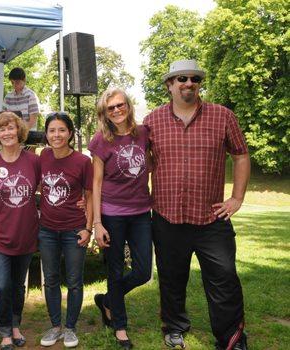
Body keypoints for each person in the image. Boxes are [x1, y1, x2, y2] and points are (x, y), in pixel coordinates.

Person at [144, 60, 250, 350]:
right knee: (171, 278)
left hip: (211, 218)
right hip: (167, 216)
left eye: (194, 78)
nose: (188, 83)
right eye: (181, 79)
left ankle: (232, 338)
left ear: (199, 83)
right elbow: (138, 163)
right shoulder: (151, 121)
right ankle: (174, 327)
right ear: (169, 84)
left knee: (224, 278)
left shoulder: (223, 116)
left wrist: (237, 198)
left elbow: (241, 155)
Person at [88, 88, 152, 350]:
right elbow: (96, 182)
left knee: (143, 271)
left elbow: (152, 165)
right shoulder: (101, 140)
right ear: (104, 113)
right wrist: (97, 223)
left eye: (119, 105)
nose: (116, 110)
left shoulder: (144, 133)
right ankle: (120, 326)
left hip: (140, 213)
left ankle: (108, 301)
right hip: (112, 214)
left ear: (128, 105)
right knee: (115, 270)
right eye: (110, 108)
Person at [0, 111, 40, 350]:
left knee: (18, 286)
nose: (7, 133)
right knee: (3, 285)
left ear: (19, 131)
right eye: (2, 129)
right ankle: (5, 331)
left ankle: (16, 326)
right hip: (1, 236)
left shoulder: (34, 161)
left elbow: (48, 188)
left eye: (11, 128)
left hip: (26, 234)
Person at [38, 112, 93, 348]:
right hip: (47, 230)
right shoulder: (42, 156)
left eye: (61, 130)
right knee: (50, 280)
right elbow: (38, 185)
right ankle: (55, 326)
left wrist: (88, 228)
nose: (56, 135)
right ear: (46, 134)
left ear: (70, 133)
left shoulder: (83, 161)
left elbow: (90, 197)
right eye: (52, 130)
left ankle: (70, 328)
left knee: (74, 281)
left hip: (74, 230)